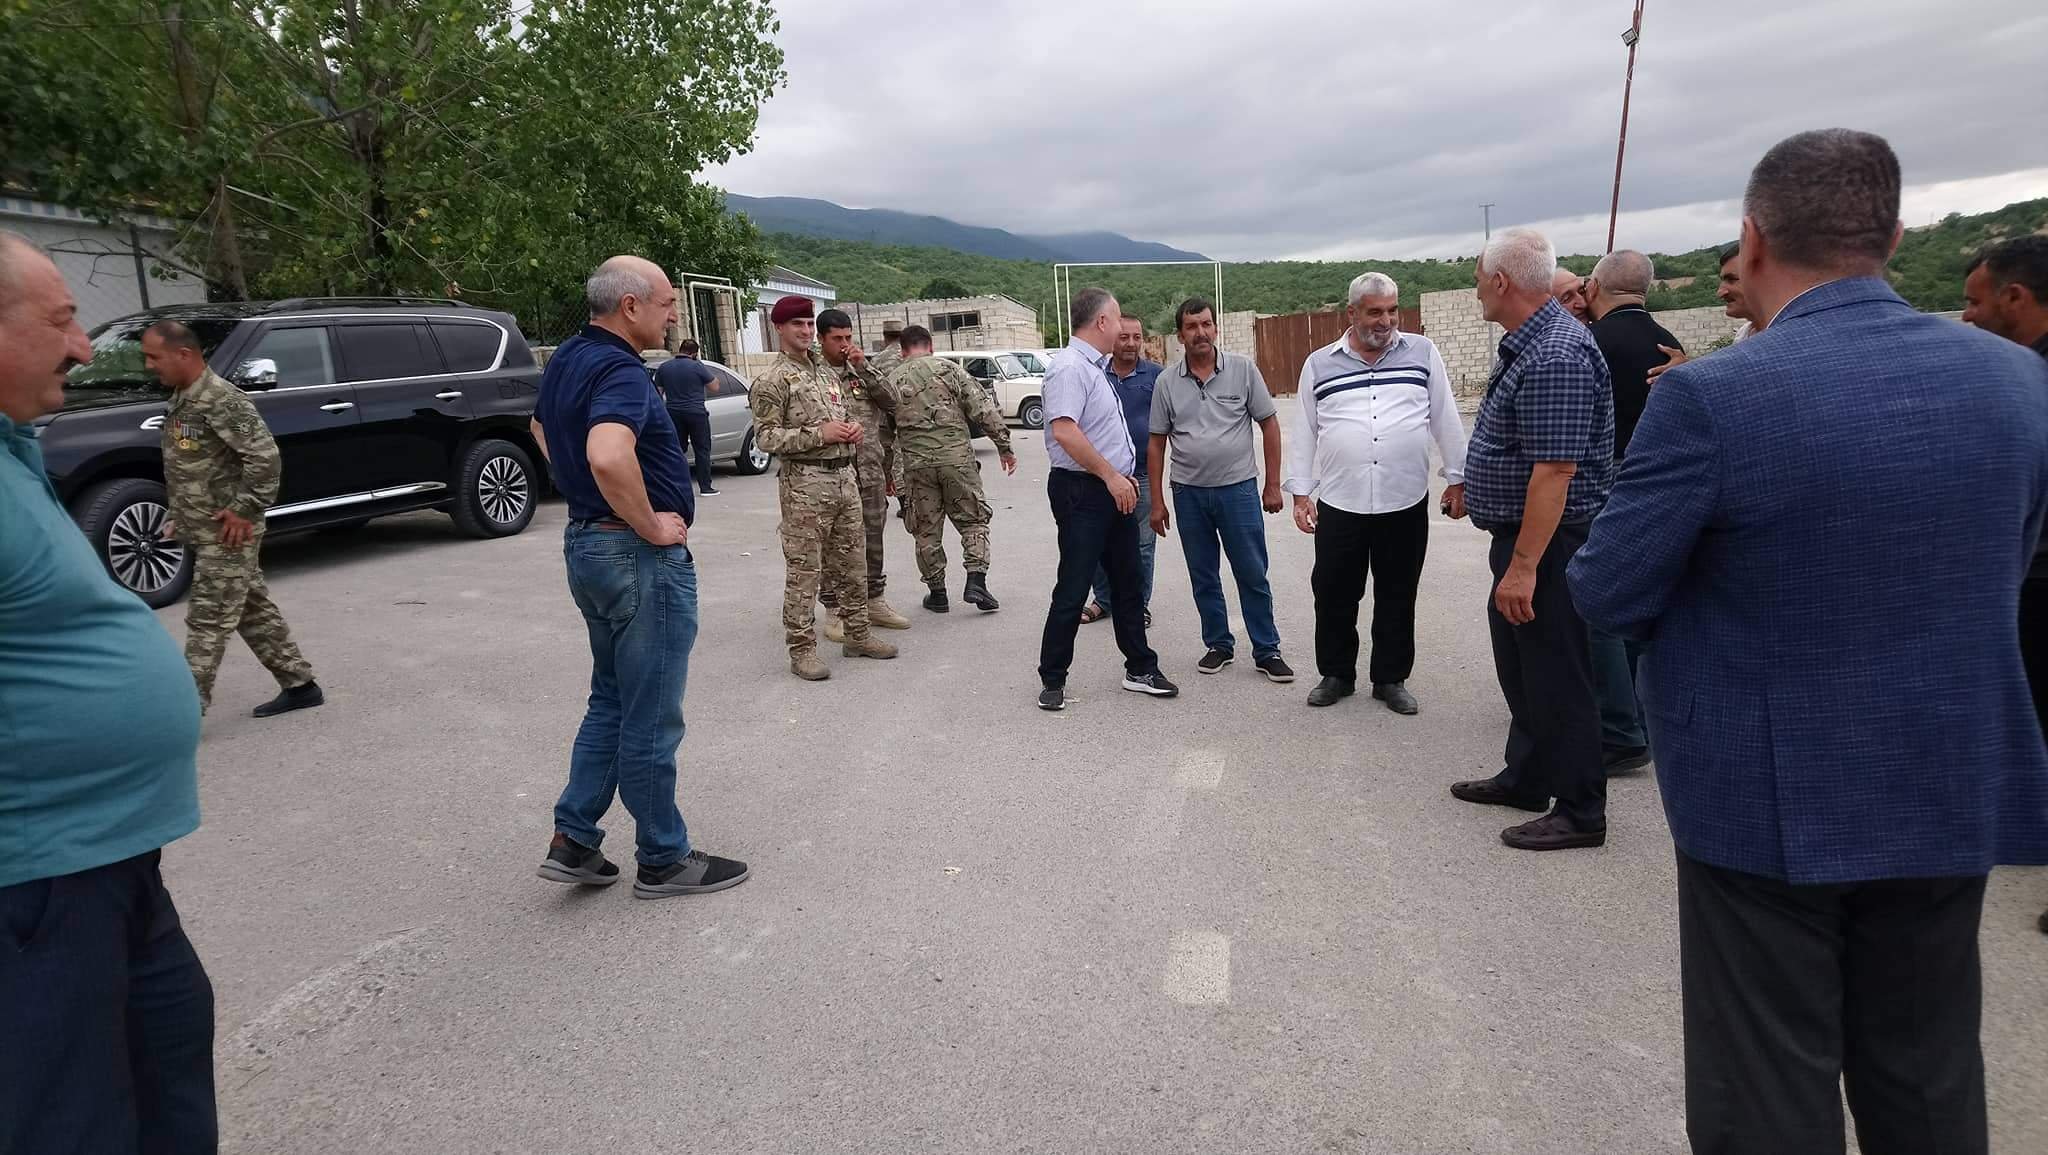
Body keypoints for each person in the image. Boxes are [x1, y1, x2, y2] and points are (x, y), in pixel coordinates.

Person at [1571, 129, 2048, 1153]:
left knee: (1766, 1088)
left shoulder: (1712, 396)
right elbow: (2004, 565)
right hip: (1947, 777)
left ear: (1749, 238)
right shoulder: (2015, 384)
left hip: (1766, 799)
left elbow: (1607, 587)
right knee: (1926, 1073)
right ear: (1895, 235)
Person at [0, 230, 217, 1150]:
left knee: (165, 1055)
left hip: (110, 861)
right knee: (73, 1115)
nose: (86, 347)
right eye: (61, 320)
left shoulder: (14, 446)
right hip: (37, 883)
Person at [530, 255, 748, 899]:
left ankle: (573, 840)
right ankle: (663, 857)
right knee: (651, 713)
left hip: (590, 547)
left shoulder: (569, 357)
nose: (675, 312)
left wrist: (584, 492)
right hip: (635, 556)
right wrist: (650, 523)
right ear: (630, 306)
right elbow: (607, 450)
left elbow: (543, 426)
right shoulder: (621, 369)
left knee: (613, 699)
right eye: (667, 302)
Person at [1447, 226, 1614, 852]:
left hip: (1548, 545)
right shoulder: (1532, 344)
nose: (1476, 296)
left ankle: (1580, 809)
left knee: (1556, 672)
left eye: (1477, 282)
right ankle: (1528, 777)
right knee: (1524, 667)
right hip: (1526, 541)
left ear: (1500, 281)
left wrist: (1524, 568)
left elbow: (1556, 471)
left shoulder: (1556, 356)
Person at [1287, 272, 1468, 715]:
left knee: (1397, 591)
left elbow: (1445, 417)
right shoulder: (1320, 363)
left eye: (1392, 310)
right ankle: (1336, 674)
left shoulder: (1423, 354)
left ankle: (1390, 678)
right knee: (1332, 591)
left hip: (1403, 500)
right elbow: (1305, 432)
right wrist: (1300, 492)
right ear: (1352, 313)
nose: (1385, 320)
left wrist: (1458, 477)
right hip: (1340, 501)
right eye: (1375, 312)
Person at [145, 319, 323, 719]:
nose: (149, 365)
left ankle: (184, 714)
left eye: (154, 357)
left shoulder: (221, 399)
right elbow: (189, 465)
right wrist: (179, 515)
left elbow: (264, 457)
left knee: (208, 618)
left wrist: (245, 509)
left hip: (229, 532)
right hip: (206, 528)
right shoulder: (183, 398)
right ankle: (300, 685)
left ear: (183, 354)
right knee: (250, 607)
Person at [1961, 233, 2048, 937]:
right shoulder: (2023, 371)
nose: (1967, 316)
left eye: (1975, 300)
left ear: (2016, 298)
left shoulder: (2028, 380)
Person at [1036, 287, 1177, 711]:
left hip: (1114, 488)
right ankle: (1053, 678)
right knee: (1075, 585)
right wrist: (1110, 476)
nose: (1121, 328)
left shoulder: (1093, 367)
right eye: (1116, 320)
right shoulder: (1069, 368)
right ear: (1100, 322)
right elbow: (1064, 430)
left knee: (1127, 581)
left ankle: (1139, 667)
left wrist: (1119, 479)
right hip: (1084, 490)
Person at [751, 296, 899, 680]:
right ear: (779, 328)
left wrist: (852, 429)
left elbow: (846, 413)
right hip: (805, 483)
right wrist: (820, 434)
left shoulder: (826, 372)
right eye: (796, 324)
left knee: (853, 564)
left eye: (807, 323)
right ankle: (802, 650)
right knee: (805, 570)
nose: (803, 330)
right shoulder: (772, 380)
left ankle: (858, 635)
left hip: (844, 476)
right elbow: (766, 438)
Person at [1148, 297, 1294, 684]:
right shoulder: (1166, 382)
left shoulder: (1243, 370)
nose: (1201, 332)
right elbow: (1156, 443)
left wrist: (1273, 484)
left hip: (1238, 492)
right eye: (1192, 326)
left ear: (1215, 329)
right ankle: (1218, 644)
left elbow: (1270, 425)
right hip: (1189, 494)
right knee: (1204, 575)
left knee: (1252, 572)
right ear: (1180, 336)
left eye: (1206, 324)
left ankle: (1267, 649)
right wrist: (1158, 502)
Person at [1582, 250, 1684, 772]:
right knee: (1647, 607)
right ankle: (1644, 719)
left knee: (1601, 608)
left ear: (1595, 285)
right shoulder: (1671, 345)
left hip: (1609, 482)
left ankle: (1619, 730)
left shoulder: (1591, 345)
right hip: (1666, 485)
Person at [888, 324, 1017, 610]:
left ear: (902, 350)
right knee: (973, 520)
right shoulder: (950, 370)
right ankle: (976, 581)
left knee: (925, 530)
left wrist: (888, 470)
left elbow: (884, 431)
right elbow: (982, 409)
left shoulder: (892, 379)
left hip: (916, 465)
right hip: (956, 461)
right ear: (930, 345)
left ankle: (938, 593)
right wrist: (1004, 447)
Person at [814, 308, 911, 640]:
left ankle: (874, 600)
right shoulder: (814, 374)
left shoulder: (862, 370)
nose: (844, 344)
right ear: (821, 338)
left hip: (868, 469)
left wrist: (863, 366)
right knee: (833, 543)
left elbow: (893, 402)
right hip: (832, 474)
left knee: (873, 536)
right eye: (836, 339)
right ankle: (835, 609)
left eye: (848, 337)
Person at [1085, 314, 1162, 626]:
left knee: (1142, 544)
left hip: (1141, 474)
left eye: (1136, 337)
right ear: (1113, 338)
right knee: (1097, 542)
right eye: (1124, 337)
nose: (1131, 343)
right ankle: (1103, 600)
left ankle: (1137, 603)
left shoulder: (1157, 376)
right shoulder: (1095, 374)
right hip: (1099, 475)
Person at [1648, 243, 1761, 383]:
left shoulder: (1786, 343)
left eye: (1731, 279)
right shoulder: (1744, 333)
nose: (1720, 292)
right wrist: (1687, 368)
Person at [655, 338, 719, 497]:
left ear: (680, 349)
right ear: (694, 353)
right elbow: (715, 386)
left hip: (674, 413)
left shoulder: (664, 367)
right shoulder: (697, 366)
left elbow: (658, 393)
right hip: (696, 414)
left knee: (676, 449)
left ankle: (676, 485)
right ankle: (705, 487)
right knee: (702, 449)